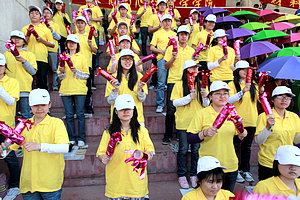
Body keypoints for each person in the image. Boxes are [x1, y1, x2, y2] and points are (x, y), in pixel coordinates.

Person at [0, 88, 69, 199]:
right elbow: (8, 150)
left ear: (49, 105)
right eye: (36, 105)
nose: (40, 109)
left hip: (50, 183)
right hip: (28, 183)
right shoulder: (23, 125)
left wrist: (40, 146)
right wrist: (3, 149)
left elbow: (64, 147)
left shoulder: (56, 123)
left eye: (43, 105)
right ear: (30, 106)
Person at [187, 81, 248, 192]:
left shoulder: (233, 114)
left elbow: (235, 140)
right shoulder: (202, 113)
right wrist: (204, 133)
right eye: (218, 93)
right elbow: (190, 138)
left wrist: (241, 135)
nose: (222, 96)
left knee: (226, 196)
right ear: (210, 96)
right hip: (208, 166)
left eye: (225, 93)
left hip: (230, 164)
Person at [97, 94, 155, 199]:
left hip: (137, 186)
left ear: (133, 110)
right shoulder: (108, 132)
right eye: (122, 109)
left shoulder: (142, 131)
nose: (126, 112)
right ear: (116, 111)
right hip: (116, 186)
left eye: (128, 109)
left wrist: (144, 155)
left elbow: (150, 152)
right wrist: (103, 158)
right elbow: (101, 153)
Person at [171, 59, 209, 188]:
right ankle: (181, 175)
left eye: (197, 69)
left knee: (195, 150)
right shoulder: (179, 84)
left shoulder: (201, 84)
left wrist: (204, 97)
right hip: (183, 122)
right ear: (187, 70)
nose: (196, 71)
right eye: (193, 68)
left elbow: (206, 105)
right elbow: (174, 102)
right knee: (182, 149)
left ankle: (194, 174)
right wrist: (189, 97)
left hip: (198, 123)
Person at [255, 86, 300, 181]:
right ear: (272, 100)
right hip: (268, 162)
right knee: (268, 193)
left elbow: (295, 140)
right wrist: (267, 127)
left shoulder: (294, 117)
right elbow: (258, 141)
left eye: (288, 97)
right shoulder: (264, 116)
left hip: (287, 161)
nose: (284, 100)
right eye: (280, 96)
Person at [228, 60, 261, 183]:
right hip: (237, 121)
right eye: (243, 70)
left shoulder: (254, 85)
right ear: (237, 71)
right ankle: (234, 170)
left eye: (248, 70)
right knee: (235, 146)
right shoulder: (231, 85)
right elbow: (228, 100)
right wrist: (242, 92)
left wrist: (261, 91)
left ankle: (245, 170)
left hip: (252, 120)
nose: (246, 72)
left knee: (247, 147)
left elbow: (259, 101)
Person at [162, 25, 196, 144]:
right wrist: (173, 58)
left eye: (185, 34)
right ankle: (167, 135)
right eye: (181, 34)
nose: (183, 36)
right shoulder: (171, 49)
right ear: (178, 36)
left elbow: (193, 68)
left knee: (184, 108)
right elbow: (165, 66)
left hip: (187, 82)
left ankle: (179, 133)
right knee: (171, 109)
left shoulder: (191, 51)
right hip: (173, 80)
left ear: (188, 36)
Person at [58, 34, 89, 147]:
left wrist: (76, 71)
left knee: (80, 114)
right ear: (66, 44)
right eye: (69, 42)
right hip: (65, 89)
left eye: (73, 42)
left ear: (77, 44)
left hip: (79, 89)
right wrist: (62, 71)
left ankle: (81, 138)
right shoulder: (62, 56)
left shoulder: (82, 57)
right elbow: (60, 77)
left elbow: (86, 75)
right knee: (69, 115)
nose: (71, 44)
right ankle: (71, 138)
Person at [105, 49, 148, 125]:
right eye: (124, 59)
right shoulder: (113, 78)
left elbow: (142, 99)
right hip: (118, 119)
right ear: (120, 61)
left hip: (137, 118)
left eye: (130, 59)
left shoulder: (139, 77)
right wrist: (116, 90)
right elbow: (110, 101)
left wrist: (140, 89)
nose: (127, 61)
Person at [0, 53, 21, 200]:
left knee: (10, 157)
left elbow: (11, 101)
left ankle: (15, 186)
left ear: (5, 66)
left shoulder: (12, 81)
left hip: (6, 127)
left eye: (0, 66)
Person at [4, 30, 37, 120]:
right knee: (10, 116)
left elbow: (33, 72)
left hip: (24, 89)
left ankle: (27, 134)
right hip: (9, 90)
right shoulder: (6, 54)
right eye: (14, 38)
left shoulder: (29, 54)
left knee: (26, 115)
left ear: (24, 41)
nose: (17, 40)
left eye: (19, 38)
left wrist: (24, 61)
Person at [21, 5, 55, 90]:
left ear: (40, 16)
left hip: (41, 57)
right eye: (31, 13)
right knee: (29, 79)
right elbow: (21, 43)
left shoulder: (45, 29)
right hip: (28, 58)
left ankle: (44, 99)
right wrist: (27, 37)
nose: (33, 15)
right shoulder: (25, 28)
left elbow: (52, 44)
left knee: (42, 79)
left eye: (36, 13)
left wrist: (42, 40)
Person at [150, 14, 176, 113]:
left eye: (169, 21)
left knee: (172, 83)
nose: (167, 23)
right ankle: (160, 104)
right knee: (161, 83)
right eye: (165, 21)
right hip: (161, 59)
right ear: (162, 22)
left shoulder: (174, 34)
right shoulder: (157, 33)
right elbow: (152, 47)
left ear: (171, 22)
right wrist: (161, 51)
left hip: (173, 60)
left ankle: (173, 104)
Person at [74, 16, 97, 117]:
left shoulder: (90, 36)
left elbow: (95, 51)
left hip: (87, 65)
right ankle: (77, 109)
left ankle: (88, 108)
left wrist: (90, 45)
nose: (80, 25)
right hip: (75, 66)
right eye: (78, 23)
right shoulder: (73, 36)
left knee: (87, 88)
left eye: (82, 23)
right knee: (75, 88)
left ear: (85, 24)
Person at [42, 6, 61, 91]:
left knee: (54, 69)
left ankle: (55, 85)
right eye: (44, 12)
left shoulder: (55, 25)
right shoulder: (40, 24)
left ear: (52, 15)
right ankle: (45, 86)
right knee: (44, 70)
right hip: (42, 50)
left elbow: (58, 37)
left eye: (48, 13)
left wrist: (52, 30)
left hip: (52, 50)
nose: (46, 14)